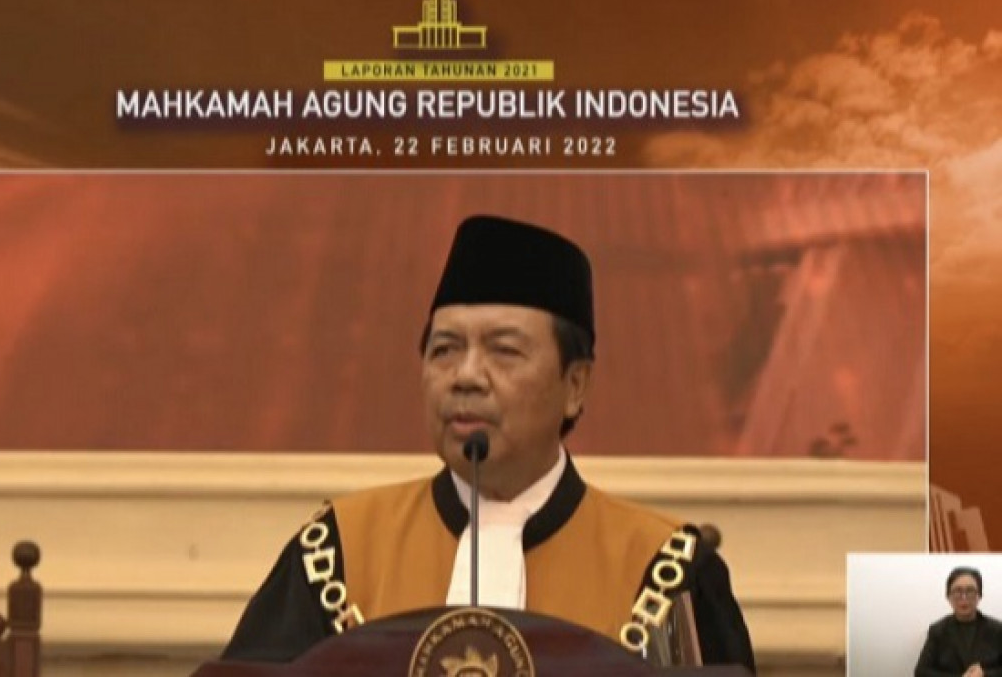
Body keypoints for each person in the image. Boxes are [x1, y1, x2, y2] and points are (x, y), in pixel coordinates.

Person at [221, 215, 756, 672]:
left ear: (575, 386)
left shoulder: (662, 569)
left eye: (503, 351)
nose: (466, 376)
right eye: (445, 350)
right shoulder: (339, 550)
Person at [915, 567, 1002, 677]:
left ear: (979, 595)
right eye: (957, 591)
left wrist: (985, 674)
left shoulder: (997, 629)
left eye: (970, 591)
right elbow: (921, 672)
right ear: (948, 596)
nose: (964, 597)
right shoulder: (938, 631)